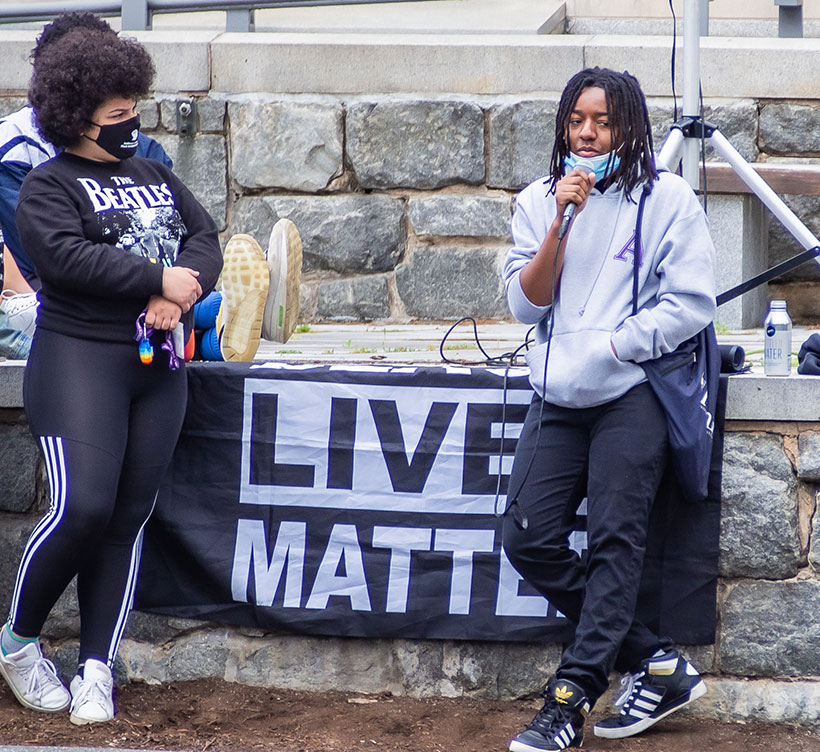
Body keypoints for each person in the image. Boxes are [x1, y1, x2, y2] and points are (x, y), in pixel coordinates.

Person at [0, 27, 222, 725]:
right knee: (83, 508)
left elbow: (205, 238)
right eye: (119, 112)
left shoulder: (154, 175)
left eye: (134, 106)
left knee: (127, 518)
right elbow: (67, 261)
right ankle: (17, 644)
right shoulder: (47, 186)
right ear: (78, 115)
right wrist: (158, 277)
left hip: (159, 369)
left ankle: (97, 665)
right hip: (78, 364)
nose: (133, 123)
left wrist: (176, 293)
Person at [502, 67, 716, 751]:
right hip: (559, 393)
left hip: (633, 392)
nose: (588, 133)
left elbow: (691, 304)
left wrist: (620, 345)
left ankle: (567, 701)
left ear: (628, 126)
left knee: (614, 544)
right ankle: (656, 660)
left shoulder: (669, 199)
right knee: (527, 537)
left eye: (603, 120)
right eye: (577, 120)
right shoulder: (541, 200)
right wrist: (562, 221)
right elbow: (525, 303)